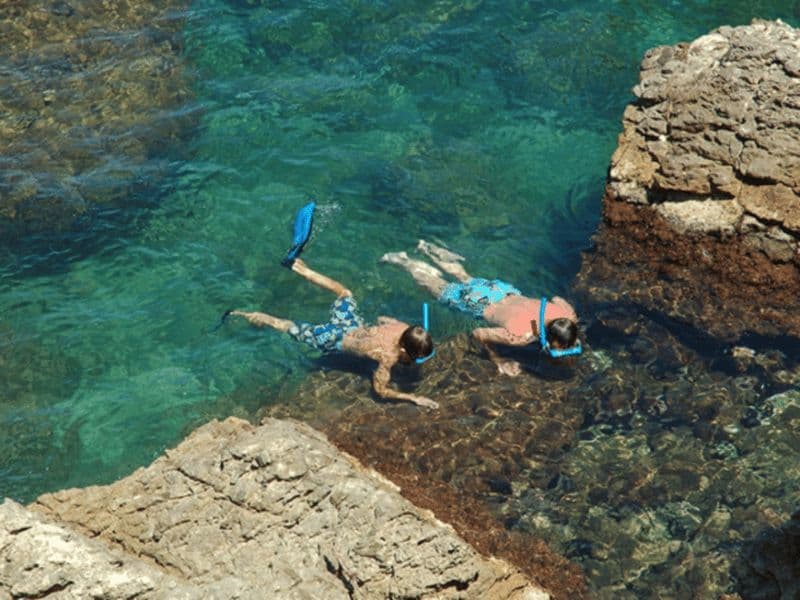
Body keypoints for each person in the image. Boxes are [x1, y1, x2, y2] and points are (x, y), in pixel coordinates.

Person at [226, 257, 438, 409]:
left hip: (350, 324)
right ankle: (247, 315)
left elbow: (383, 319)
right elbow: (381, 391)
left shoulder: (401, 326)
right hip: (333, 338)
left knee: (344, 292)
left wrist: (371, 335)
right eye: (415, 356)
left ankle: (304, 271)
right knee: (287, 326)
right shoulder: (388, 358)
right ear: (404, 350)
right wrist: (414, 398)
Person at [381, 240, 581, 377]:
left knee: (465, 278)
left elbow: (556, 298)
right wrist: (497, 359)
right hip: (479, 303)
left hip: (500, 290)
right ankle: (403, 260)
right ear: (551, 340)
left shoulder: (566, 313)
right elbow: (479, 333)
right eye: (561, 347)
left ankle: (426, 247)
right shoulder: (520, 337)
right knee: (438, 287)